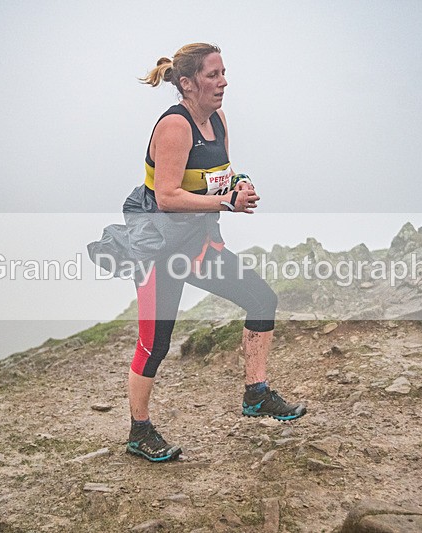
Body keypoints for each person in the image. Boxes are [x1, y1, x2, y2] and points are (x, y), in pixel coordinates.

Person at [88, 43, 306, 463]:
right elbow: (167, 197)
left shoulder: (218, 120)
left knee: (262, 299)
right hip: (158, 249)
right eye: (213, 75)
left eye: (224, 73)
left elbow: (218, 173)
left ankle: (256, 395)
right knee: (156, 342)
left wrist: (239, 184)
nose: (223, 82)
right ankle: (139, 431)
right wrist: (227, 205)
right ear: (187, 83)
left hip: (198, 244)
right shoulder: (175, 127)